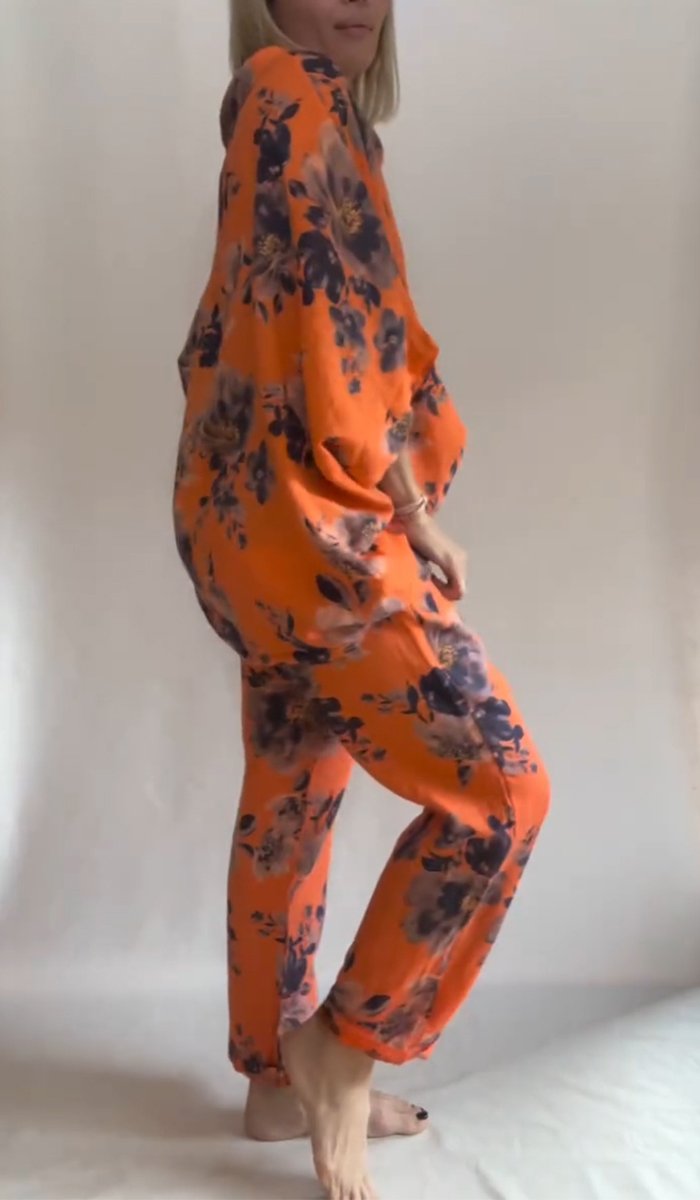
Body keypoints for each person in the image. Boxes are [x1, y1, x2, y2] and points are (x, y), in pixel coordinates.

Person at [173, 2, 550, 1197]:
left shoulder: (281, 104)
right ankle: (339, 1050)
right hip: (316, 530)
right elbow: (332, 328)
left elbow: (298, 322)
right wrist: (408, 507)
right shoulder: (292, 90)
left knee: (293, 794)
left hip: (250, 525)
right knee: (502, 792)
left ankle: (273, 1083)